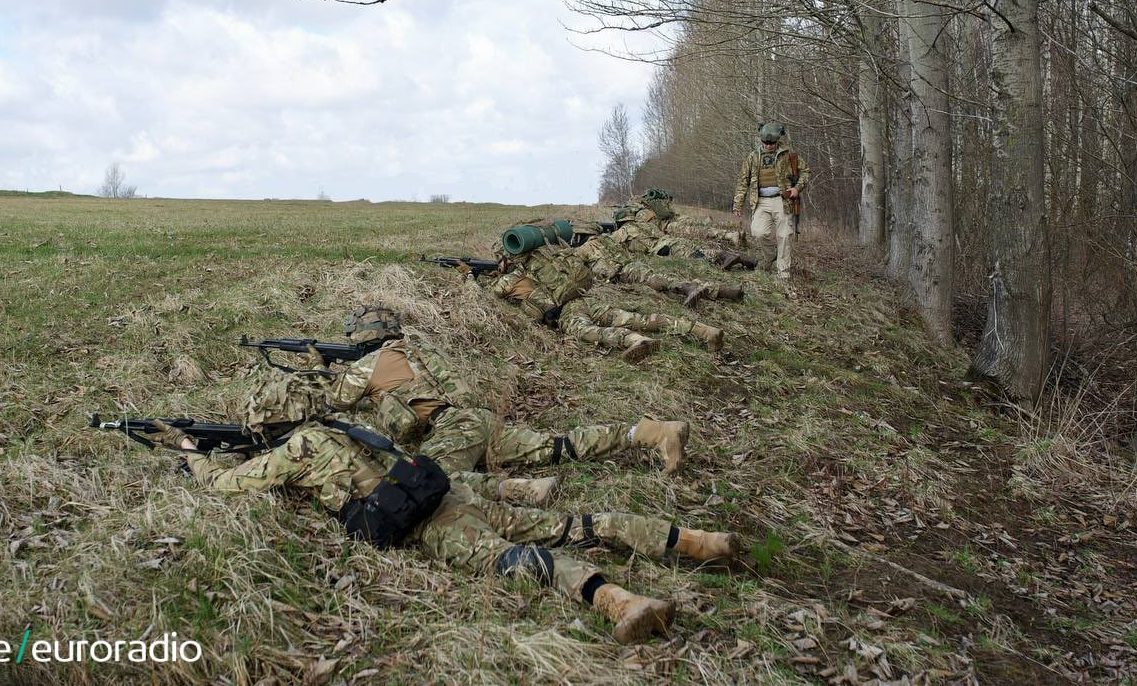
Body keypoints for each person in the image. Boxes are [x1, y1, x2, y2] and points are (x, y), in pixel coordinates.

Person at [147, 413, 742, 643]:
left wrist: (193, 454)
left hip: (428, 526)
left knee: (519, 562)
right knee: (571, 524)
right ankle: (693, 541)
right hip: (451, 491)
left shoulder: (294, 451)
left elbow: (223, 486)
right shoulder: (341, 425)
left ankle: (618, 600)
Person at [256, 306, 693, 478]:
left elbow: (337, 399)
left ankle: (521, 496)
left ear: (365, 338)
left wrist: (317, 364)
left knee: (426, 481)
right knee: (559, 446)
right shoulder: (418, 347)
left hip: (454, 428)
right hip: (478, 420)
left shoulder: (370, 364)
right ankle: (652, 432)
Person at [486, 244, 725, 363]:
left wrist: (474, 276)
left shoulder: (512, 277)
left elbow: (493, 294)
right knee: (638, 318)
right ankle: (702, 330)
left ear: (505, 260)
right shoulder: (546, 259)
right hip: (584, 297)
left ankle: (635, 341)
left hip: (565, 310)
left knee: (587, 331)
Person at [568, 220, 744, 308]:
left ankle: (690, 289)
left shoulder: (581, 251)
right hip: (632, 266)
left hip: (624, 274)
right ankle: (725, 290)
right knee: (664, 279)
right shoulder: (606, 240)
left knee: (664, 282)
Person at [732, 122, 810, 295]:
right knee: (758, 232)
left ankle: (783, 273)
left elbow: (806, 171)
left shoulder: (788, 155)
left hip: (782, 201)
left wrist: (797, 188)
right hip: (760, 201)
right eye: (765, 143)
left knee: (784, 236)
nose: (768, 146)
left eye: (771, 143)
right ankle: (770, 256)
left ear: (777, 141)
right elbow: (743, 181)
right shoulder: (753, 157)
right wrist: (737, 203)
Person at [609, 212, 758, 272]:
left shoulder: (622, 232)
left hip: (664, 248)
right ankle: (747, 260)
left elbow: (614, 246)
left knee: (696, 256)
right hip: (671, 240)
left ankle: (727, 257)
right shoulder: (644, 224)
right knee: (699, 251)